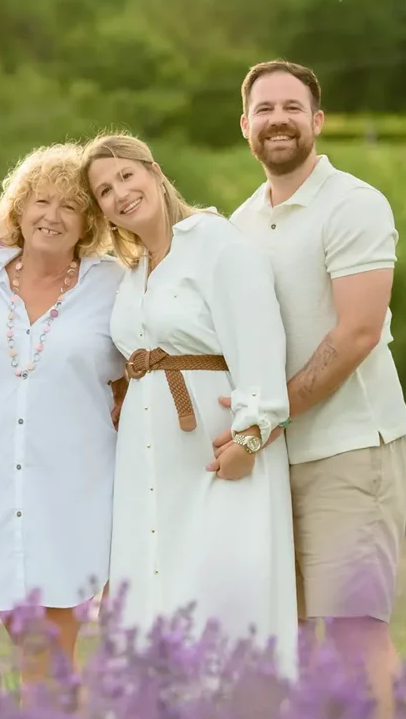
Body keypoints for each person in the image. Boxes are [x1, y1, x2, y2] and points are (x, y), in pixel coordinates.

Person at [225, 59, 406, 719]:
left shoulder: (354, 204)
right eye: (265, 109)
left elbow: (357, 332)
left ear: (317, 121)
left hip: (353, 446)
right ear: (245, 125)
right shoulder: (241, 224)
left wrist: (270, 414)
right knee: (297, 631)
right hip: (281, 458)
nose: (278, 119)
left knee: (352, 627)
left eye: (292, 107)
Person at [82, 132, 298, 679]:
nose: (120, 193)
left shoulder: (216, 243)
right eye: (104, 191)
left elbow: (259, 343)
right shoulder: (133, 273)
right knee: (153, 590)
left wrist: (251, 436)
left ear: (154, 172)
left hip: (217, 457)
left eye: (126, 176)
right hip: (146, 465)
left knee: (221, 595)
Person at [0, 142, 124, 683]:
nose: (51, 217)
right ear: (18, 207)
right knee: (22, 636)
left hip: (73, 488)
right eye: (40, 201)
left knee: (50, 644)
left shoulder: (114, 284)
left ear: (89, 223)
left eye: (70, 206)